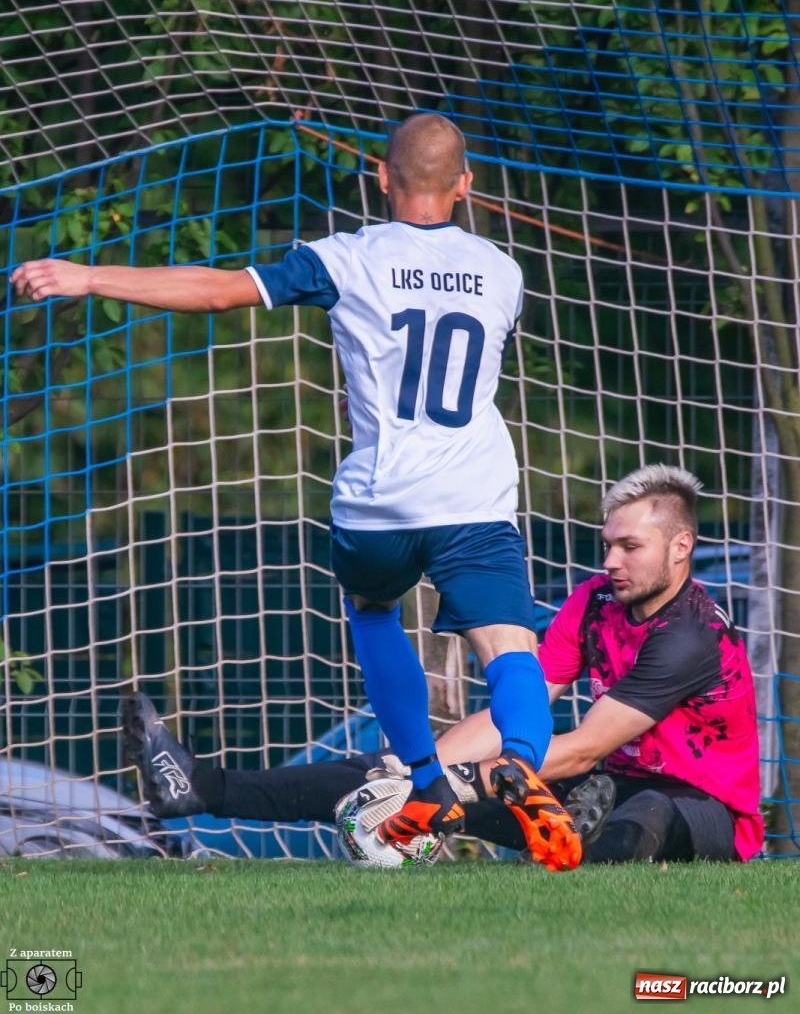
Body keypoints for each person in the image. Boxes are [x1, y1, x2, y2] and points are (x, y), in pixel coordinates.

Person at [11, 112, 580, 872]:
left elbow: (218, 293)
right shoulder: (504, 271)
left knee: (375, 609)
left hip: (380, 503)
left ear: (380, 177)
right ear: (466, 186)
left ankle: (421, 779)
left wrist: (89, 276)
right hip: (474, 497)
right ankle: (520, 763)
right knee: (510, 648)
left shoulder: (343, 258)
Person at [121, 463, 763, 864]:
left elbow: (578, 750)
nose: (612, 562)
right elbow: (525, 703)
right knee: (389, 768)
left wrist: (445, 788)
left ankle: (585, 845)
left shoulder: (691, 636)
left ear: (681, 547)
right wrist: (419, 775)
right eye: (608, 546)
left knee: (639, 821)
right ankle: (202, 787)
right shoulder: (595, 600)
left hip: (700, 807)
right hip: (601, 781)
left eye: (630, 547)